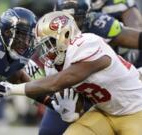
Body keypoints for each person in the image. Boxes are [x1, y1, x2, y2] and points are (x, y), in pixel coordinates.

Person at [1, 11, 142, 135]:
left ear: (66, 35)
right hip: (104, 112)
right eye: (42, 46)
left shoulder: (87, 44)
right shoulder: (54, 64)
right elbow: (78, 101)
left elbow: (59, 81)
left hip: (136, 110)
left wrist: (10, 89)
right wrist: (69, 112)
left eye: (49, 43)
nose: (45, 50)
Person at [37, 0, 142, 134]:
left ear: (87, 17)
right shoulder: (50, 36)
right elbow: (54, 84)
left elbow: (137, 36)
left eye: (76, 19)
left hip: (111, 91)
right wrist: (66, 109)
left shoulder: (100, 24)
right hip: (77, 91)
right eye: (63, 20)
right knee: (49, 132)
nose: (68, 26)